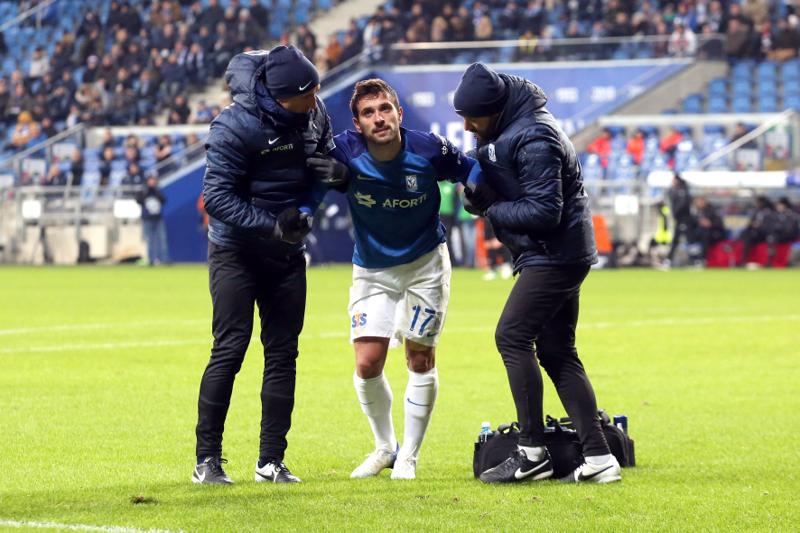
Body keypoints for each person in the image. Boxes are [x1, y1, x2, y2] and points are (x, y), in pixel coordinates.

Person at [306, 79, 483, 480]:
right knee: (367, 363)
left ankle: (409, 457)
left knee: (419, 359)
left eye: (385, 109)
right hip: (372, 269)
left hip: (425, 265)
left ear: (399, 114)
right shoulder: (344, 151)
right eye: (368, 113)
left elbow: (468, 168)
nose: (379, 118)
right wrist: (302, 212)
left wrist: (478, 188)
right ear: (357, 123)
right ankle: (386, 447)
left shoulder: (428, 148)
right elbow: (312, 188)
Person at [452, 63, 620, 484]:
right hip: (554, 253)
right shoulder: (505, 128)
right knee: (558, 352)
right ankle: (599, 458)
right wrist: (478, 195)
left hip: (554, 254)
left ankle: (532, 453)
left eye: (473, 118)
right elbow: (498, 182)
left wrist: (491, 208)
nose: (468, 126)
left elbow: (545, 211)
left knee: (511, 336)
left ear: (495, 109)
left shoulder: (535, 136)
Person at [194, 46, 341, 485]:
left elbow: (323, 167)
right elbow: (216, 198)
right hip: (235, 252)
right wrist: (271, 226)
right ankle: (207, 461)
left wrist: (321, 194)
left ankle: (271, 461)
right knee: (230, 348)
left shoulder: (314, 112)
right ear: (280, 97)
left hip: (286, 253)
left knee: (283, 352)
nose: (316, 100)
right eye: (307, 94)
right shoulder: (233, 126)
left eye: (316, 90)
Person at [136, 173, 169, 265]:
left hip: (158, 218)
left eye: (153, 180)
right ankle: (151, 259)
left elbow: (164, 200)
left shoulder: (157, 191)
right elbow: (138, 200)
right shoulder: (143, 190)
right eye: (150, 180)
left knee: (161, 239)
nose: (152, 182)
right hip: (147, 218)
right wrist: (146, 192)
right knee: (150, 240)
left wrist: (156, 192)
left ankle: (163, 259)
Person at [666, 172, 693, 266]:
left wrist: (675, 214)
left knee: (686, 239)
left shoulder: (682, 191)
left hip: (683, 219)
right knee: (681, 240)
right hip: (679, 219)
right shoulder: (677, 190)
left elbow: (682, 205)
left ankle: (695, 259)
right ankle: (670, 259)